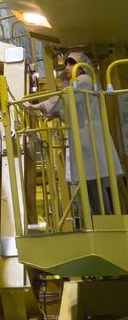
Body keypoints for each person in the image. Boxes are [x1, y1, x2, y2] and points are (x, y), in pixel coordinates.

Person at [36, 51, 124, 217]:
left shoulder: (84, 80)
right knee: (91, 184)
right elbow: (74, 108)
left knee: (95, 183)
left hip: (90, 138)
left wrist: (40, 106)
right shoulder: (74, 84)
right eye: (66, 65)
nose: (68, 68)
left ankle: (106, 219)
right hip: (83, 138)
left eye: (71, 64)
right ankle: (100, 219)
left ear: (81, 66)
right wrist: (57, 114)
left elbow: (67, 98)